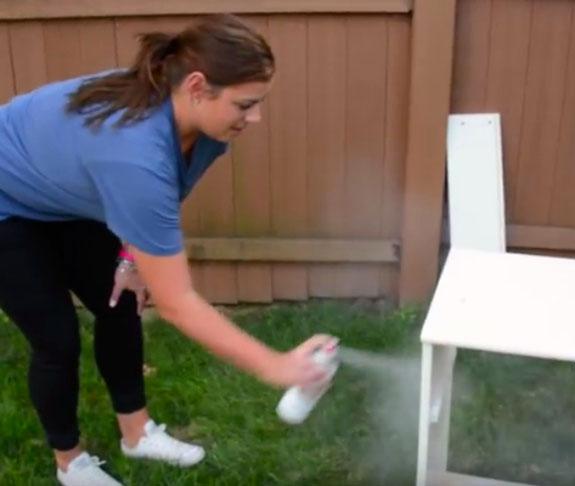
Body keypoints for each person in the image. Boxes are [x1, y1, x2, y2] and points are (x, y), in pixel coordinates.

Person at [0, 14, 333, 486]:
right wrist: (275, 366)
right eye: (246, 104)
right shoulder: (133, 150)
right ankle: (69, 463)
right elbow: (178, 303)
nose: (255, 118)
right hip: (5, 201)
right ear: (198, 87)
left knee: (120, 304)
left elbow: (161, 197)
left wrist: (131, 259)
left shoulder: (205, 132)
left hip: (61, 194)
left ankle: (136, 436)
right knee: (56, 338)